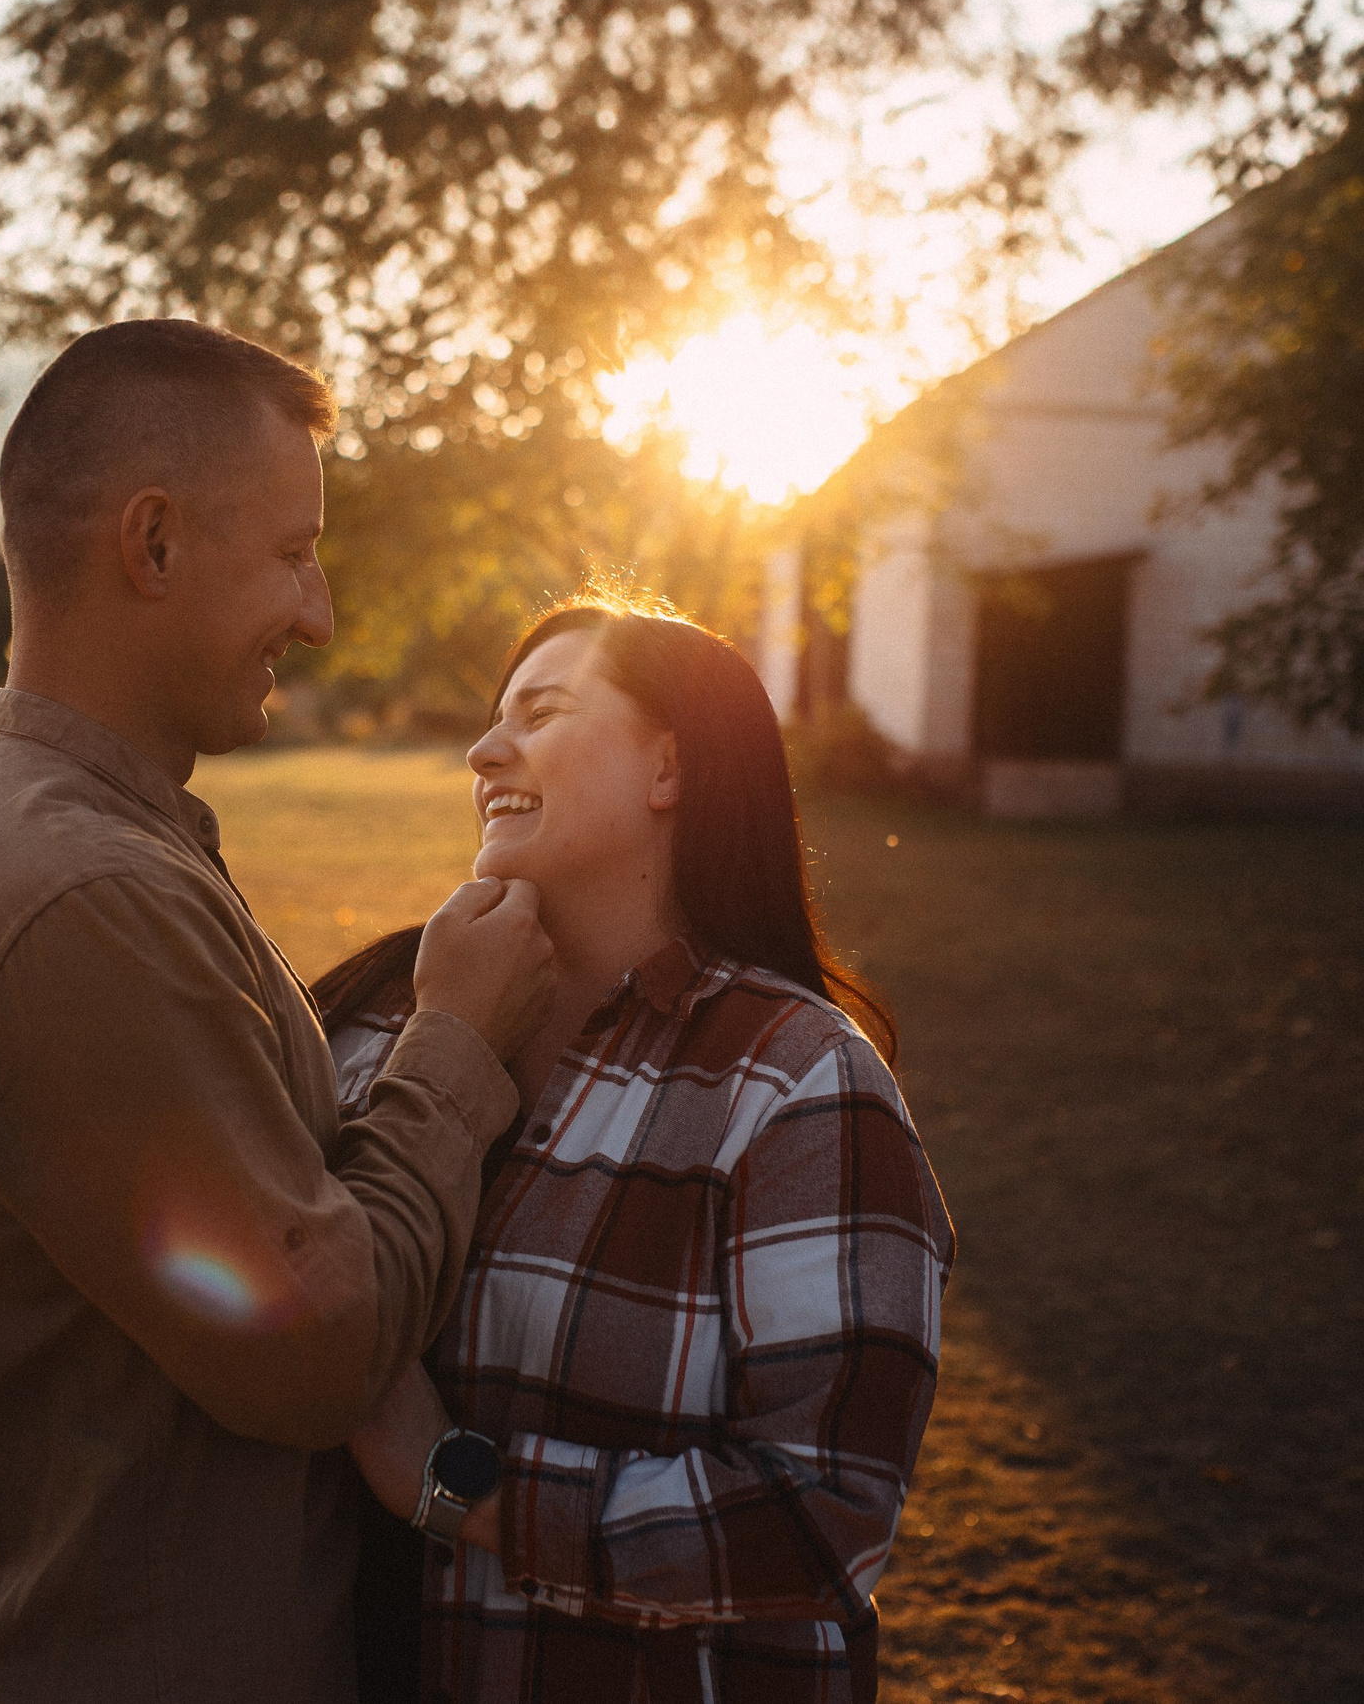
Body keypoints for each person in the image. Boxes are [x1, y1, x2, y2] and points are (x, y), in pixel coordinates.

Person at [0, 319, 556, 1704]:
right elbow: (309, 1346)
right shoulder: (74, 895)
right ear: (151, 546)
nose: (319, 612)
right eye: (291, 553)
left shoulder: (77, 837)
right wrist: (455, 1038)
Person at [315, 597, 955, 1704]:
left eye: (542, 710)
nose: (482, 750)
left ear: (669, 766)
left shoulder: (797, 1086)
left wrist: (460, 1488)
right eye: (490, 720)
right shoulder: (371, 1028)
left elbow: (821, 1516)